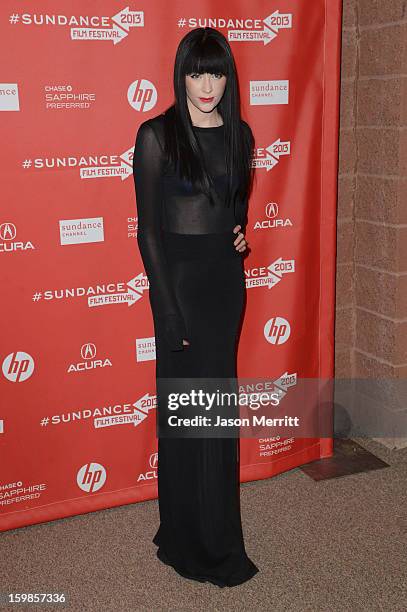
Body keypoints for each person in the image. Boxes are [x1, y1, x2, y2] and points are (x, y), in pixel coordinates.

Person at [132, 26, 259, 587]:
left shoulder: (241, 135)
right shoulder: (156, 135)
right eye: (196, 72)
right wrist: (166, 310)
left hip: (223, 287)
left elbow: (235, 205)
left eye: (217, 73)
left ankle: (215, 539)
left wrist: (239, 233)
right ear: (181, 74)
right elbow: (149, 231)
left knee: (214, 417)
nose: (207, 85)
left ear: (228, 78)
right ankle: (185, 532)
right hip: (179, 290)